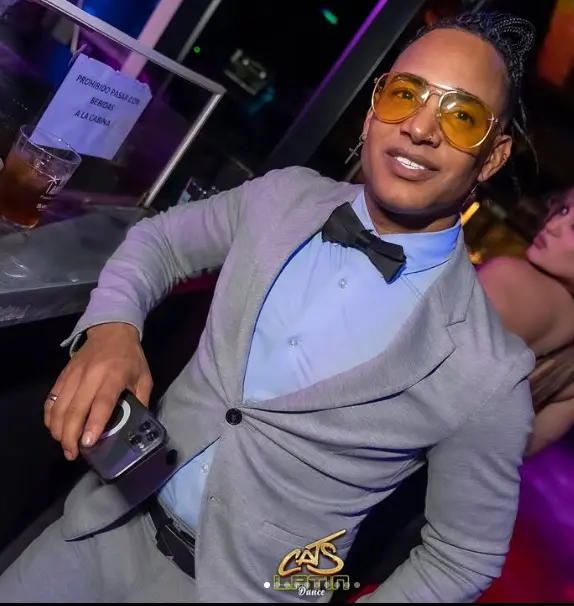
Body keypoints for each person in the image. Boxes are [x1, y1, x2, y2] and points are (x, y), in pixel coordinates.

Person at [0, 11, 537, 603]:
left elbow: (462, 556)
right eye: (406, 94)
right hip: (99, 529)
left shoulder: (487, 371)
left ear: (493, 156)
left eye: (462, 117)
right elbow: (161, 241)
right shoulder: (284, 196)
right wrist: (112, 331)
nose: (419, 127)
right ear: (373, 109)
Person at [478, 187, 574, 456]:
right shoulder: (568, 366)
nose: (552, 225)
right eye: (563, 210)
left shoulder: (510, 278)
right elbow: (512, 454)